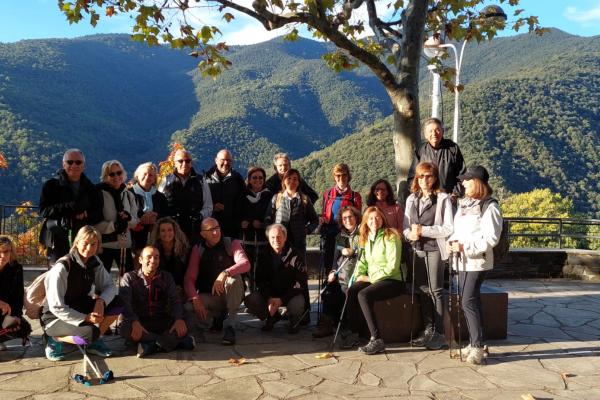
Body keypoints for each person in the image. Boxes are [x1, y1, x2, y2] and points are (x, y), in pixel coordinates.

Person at [446, 165, 503, 365]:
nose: (463, 183)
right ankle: (477, 341)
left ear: (477, 182)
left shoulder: (490, 206)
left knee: (468, 301)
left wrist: (464, 247)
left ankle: (477, 346)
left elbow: (491, 239)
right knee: (471, 301)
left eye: (467, 180)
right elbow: (457, 229)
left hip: (477, 261)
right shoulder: (465, 204)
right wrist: (453, 242)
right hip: (462, 261)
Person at [42, 226, 122, 361]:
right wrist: (86, 318)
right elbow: (57, 307)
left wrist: (100, 301)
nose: (89, 248)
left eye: (93, 244)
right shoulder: (63, 267)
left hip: (79, 306)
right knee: (90, 332)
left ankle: (93, 342)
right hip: (54, 317)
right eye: (85, 243)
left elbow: (109, 286)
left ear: (98, 246)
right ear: (77, 242)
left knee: (118, 302)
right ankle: (54, 338)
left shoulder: (94, 262)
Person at [403, 162, 453, 350]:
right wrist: (411, 235)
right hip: (417, 249)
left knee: (437, 290)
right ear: (417, 178)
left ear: (435, 178)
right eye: (421, 176)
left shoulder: (443, 198)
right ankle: (428, 329)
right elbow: (405, 227)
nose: (425, 180)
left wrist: (424, 230)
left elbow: (448, 227)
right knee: (423, 289)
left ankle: (439, 334)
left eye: (429, 176)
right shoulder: (411, 199)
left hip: (434, 249)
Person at [343, 206, 405, 355]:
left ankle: (377, 339)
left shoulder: (391, 236)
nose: (374, 221)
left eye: (377, 217)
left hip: (392, 280)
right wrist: (359, 276)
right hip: (375, 278)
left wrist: (370, 278)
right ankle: (354, 332)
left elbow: (393, 267)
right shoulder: (366, 237)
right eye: (370, 218)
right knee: (352, 290)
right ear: (365, 221)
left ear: (383, 218)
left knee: (363, 295)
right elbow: (362, 261)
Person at [119, 246, 195, 358]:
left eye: (156, 257)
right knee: (124, 328)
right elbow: (125, 303)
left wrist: (178, 319)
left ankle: (151, 345)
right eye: (149, 257)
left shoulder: (166, 277)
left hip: (162, 320)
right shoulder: (129, 278)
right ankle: (175, 342)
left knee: (190, 319)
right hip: (140, 322)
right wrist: (134, 321)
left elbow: (176, 300)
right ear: (140, 260)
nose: (153, 260)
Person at [184, 218, 249, 345]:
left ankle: (230, 326)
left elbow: (245, 263)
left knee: (233, 279)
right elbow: (189, 279)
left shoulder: (231, 243)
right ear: (203, 234)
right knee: (188, 307)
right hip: (212, 297)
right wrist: (195, 298)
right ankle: (214, 319)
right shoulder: (198, 249)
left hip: (231, 294)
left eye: (217, 228)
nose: (215, 232)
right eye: (211, 230)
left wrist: (225, 273)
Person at [38, 149, 103, 264]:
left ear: (84, 166)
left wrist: (86, 215)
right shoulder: (51, 186)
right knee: (57, 275)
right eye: (70, 162)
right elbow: (43, 211)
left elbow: (99, 213)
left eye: (78, 162)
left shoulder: (92, 189)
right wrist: (69, 207)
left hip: (84, 242)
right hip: (57, 239)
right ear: (63, 164)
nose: (74, 165)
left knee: (81, 278)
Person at [244, 224, 307, 333]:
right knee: (250, 300)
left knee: (298, 304)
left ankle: (293, 319)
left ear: (285, 237)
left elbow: (300, 283)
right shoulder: (263, 254)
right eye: (272, 237)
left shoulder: (296, 254)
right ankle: (272, 316)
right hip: (271, 294)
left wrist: (282, 300)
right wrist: (269, 298)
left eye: (279, 236)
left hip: (290, 294)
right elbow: (260, 280)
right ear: (268, 239)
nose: (276, 240)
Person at [313, 206, 361, 338]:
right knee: (328, 288)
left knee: (347, 291)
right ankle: (327, 323)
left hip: (357, 273)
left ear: (356, 217)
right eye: (344, 218)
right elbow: (335, 257)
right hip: (341, 272)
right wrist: (332, 271)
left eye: (350, 217)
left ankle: (348, 324)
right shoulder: (340, 236)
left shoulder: (363, 234)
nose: (347, 220)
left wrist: (354, 252)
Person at [158, 149, 213, 243]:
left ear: (191, 163)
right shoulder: (166, 181)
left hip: (194, 230)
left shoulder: (201, 181)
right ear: (174, 163)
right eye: (180, 161)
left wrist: (199, 216)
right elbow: (158, 204)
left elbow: (208, 206)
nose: (184, 164)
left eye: (187, 161)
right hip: (171, 231)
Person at [320, 163, 362, 283]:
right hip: (330, 234)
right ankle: (330, 294)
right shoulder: (327, 194)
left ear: (348, 176)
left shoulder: (355, 196)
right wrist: (322, 219)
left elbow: (358, 217)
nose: (341, 178)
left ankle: (343, 292)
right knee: (329, 265)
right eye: (338, 175)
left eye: (344, 175)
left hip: (346, 235)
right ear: (334, 177)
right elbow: (324, 212)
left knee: (345, 264)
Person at [265, 168, 319, 260]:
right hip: (279, 244)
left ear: (298, 182)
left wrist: (306, 230)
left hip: (298, 244)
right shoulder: (276, 198)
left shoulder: (304, 200)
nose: (292, 181)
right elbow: (267, 219)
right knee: (279, 270)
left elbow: (315, 220)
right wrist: (271, 235)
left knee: (298, 271)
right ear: (284, 181)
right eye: (289, 178)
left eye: (295, 179)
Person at [95, 160, 139, 274]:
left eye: (118, 173)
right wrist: (114, 226)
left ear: (123, 174)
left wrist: (129, 219)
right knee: (101, 284)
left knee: (128, 283)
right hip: (104, 246)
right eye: (111, 174)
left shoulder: (129, 195)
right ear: (105, 176)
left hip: (124, 245)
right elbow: (94, 223)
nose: (116, 177)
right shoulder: (98, 194)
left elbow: (135, 222)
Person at [408, 117, 467, 201]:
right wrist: (420, 194)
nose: (434, 133)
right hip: (426, 200)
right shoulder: (421, 151)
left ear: (442, 131)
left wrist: (455, 194)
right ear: (425, 134)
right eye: (430, 131)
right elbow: (412, 177)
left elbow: (463, 175)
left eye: (437, 130)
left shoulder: (452, 148)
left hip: (449, 199)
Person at [240, 166, 273, 290]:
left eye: (261, 178)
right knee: (243, 271)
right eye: (254, 177)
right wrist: (241, 222)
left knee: (259, 271)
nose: (258, 180)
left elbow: (272, 215)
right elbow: (235, 212)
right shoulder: (242, 195)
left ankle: (256, 299)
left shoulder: (269, 196)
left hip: (262, 241)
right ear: (249, 179)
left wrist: (263, 224)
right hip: (245, 240)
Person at [129, 162, 169, 256]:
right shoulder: (129, 193)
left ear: (155, 178)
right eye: (145, 174)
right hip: (134, 237)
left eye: (151, 175)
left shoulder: (160, 196)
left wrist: (156, 217)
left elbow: (166, 214)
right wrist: (142, 218)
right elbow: (126, 211)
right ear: (137, 176)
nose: (147, 177)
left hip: (155, 237)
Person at [0, 236, 32, 350]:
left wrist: (16, 315)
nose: (3, 256)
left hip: (4, 313)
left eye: (6, 251)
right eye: (0, 252)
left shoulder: (16, 269)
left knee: (23, 327)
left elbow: (18, 296)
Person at [205, 149, 245, 238]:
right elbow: (201, 201)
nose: (226, 163)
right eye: (223, 160)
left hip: (231, 228)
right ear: (216, 160)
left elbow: (242, 202)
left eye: (229, 160)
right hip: (210, 227)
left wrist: (228, 208)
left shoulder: (237, 179)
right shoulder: (206, 178)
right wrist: (212, 207)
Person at [149, 217, 190, 298]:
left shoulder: (184, 250)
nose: (166, 233)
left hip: (180, 289)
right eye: (163, 230)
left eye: (170, 230)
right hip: (160, 289)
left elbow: (187, 274)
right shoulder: (153, 250)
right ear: (158, 234)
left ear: (175, 232)